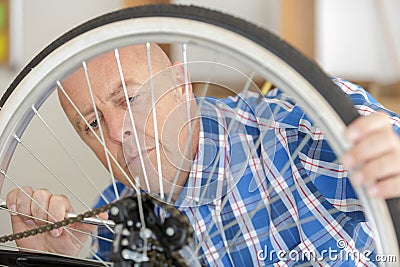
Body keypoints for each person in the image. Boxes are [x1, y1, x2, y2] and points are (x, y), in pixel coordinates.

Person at [5, 43, 400, 265]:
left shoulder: (302, 129)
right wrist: (53, 265)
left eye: (128, 98)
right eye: (91, 123)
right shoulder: (115, 219)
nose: (116, 132)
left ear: (181, 84)